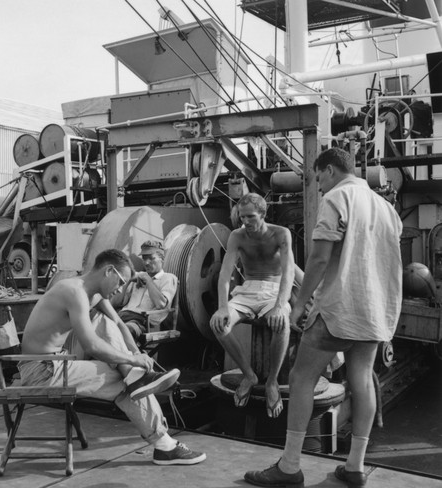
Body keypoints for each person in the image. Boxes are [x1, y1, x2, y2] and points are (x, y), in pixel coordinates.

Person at [244, 147, 402, 487]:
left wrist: (298, 306)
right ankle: (356, 467)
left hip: (338, 308)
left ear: (329, 171)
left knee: (301, 377)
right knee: (361, 378)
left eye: (318, 179)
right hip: (374, 309)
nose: (319, 187)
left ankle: (289, 467)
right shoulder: (387, 208)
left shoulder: (336, 200)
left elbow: (317, 260)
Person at [20, 249, 206, 465]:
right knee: (123, 380)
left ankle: (135, 381)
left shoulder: (93, 294)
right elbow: (91, 345)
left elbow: (118, 323)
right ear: (109, 271)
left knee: (105, 321)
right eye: (121, 282)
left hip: (56, 362)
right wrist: (132, 361)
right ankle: (164, 444)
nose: (121, 289)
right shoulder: (74, 291)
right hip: (41, 370)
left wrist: (136, 353)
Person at [209, 192, 295, 418]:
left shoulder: (281, 234)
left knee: (282, 323)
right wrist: (222, 307)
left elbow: (289, 273)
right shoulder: (237, 236)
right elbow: (225, 275)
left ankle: (272, 382)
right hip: (247, 291)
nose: (245, 222)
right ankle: (249, 375)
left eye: (250, 217)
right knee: (218, 325)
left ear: (263, 214)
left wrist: (280, 305)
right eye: (242, 217)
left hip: (273, 290)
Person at [112, 240, 178, 340]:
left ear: (162, 259)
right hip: (120, 317)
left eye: (151, 258)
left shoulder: (168, 278)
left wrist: (148, 280)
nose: (146, 263)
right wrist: (128, 281)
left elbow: (160, 304)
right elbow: (117, 303)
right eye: (144, 258)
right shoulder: (138, 276)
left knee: (121, 332)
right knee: (97, 325)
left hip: (139, 322)